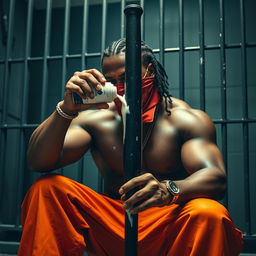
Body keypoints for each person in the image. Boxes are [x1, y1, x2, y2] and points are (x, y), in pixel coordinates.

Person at [18, 38, 243, 256]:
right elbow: (38, 161)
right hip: (115, 224)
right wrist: (66, 109)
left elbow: (215, 177)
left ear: (151, 72)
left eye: (128, 77)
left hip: (168, 226)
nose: (120, 88)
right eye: (111, 80)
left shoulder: (185, 119)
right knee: (47, 189)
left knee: (209, 213)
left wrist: (168, 190)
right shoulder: (97, 121)